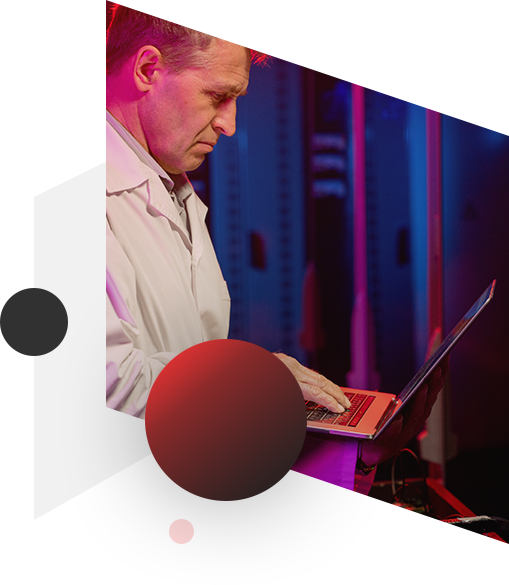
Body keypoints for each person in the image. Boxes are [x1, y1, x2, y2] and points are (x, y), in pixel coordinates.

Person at [105, 0, 447, 490]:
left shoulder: (171, 187)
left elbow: (195, 403)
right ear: (146, 69)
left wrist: (355, 454)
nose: (230, 124)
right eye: (217, 96)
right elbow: (104, 395)